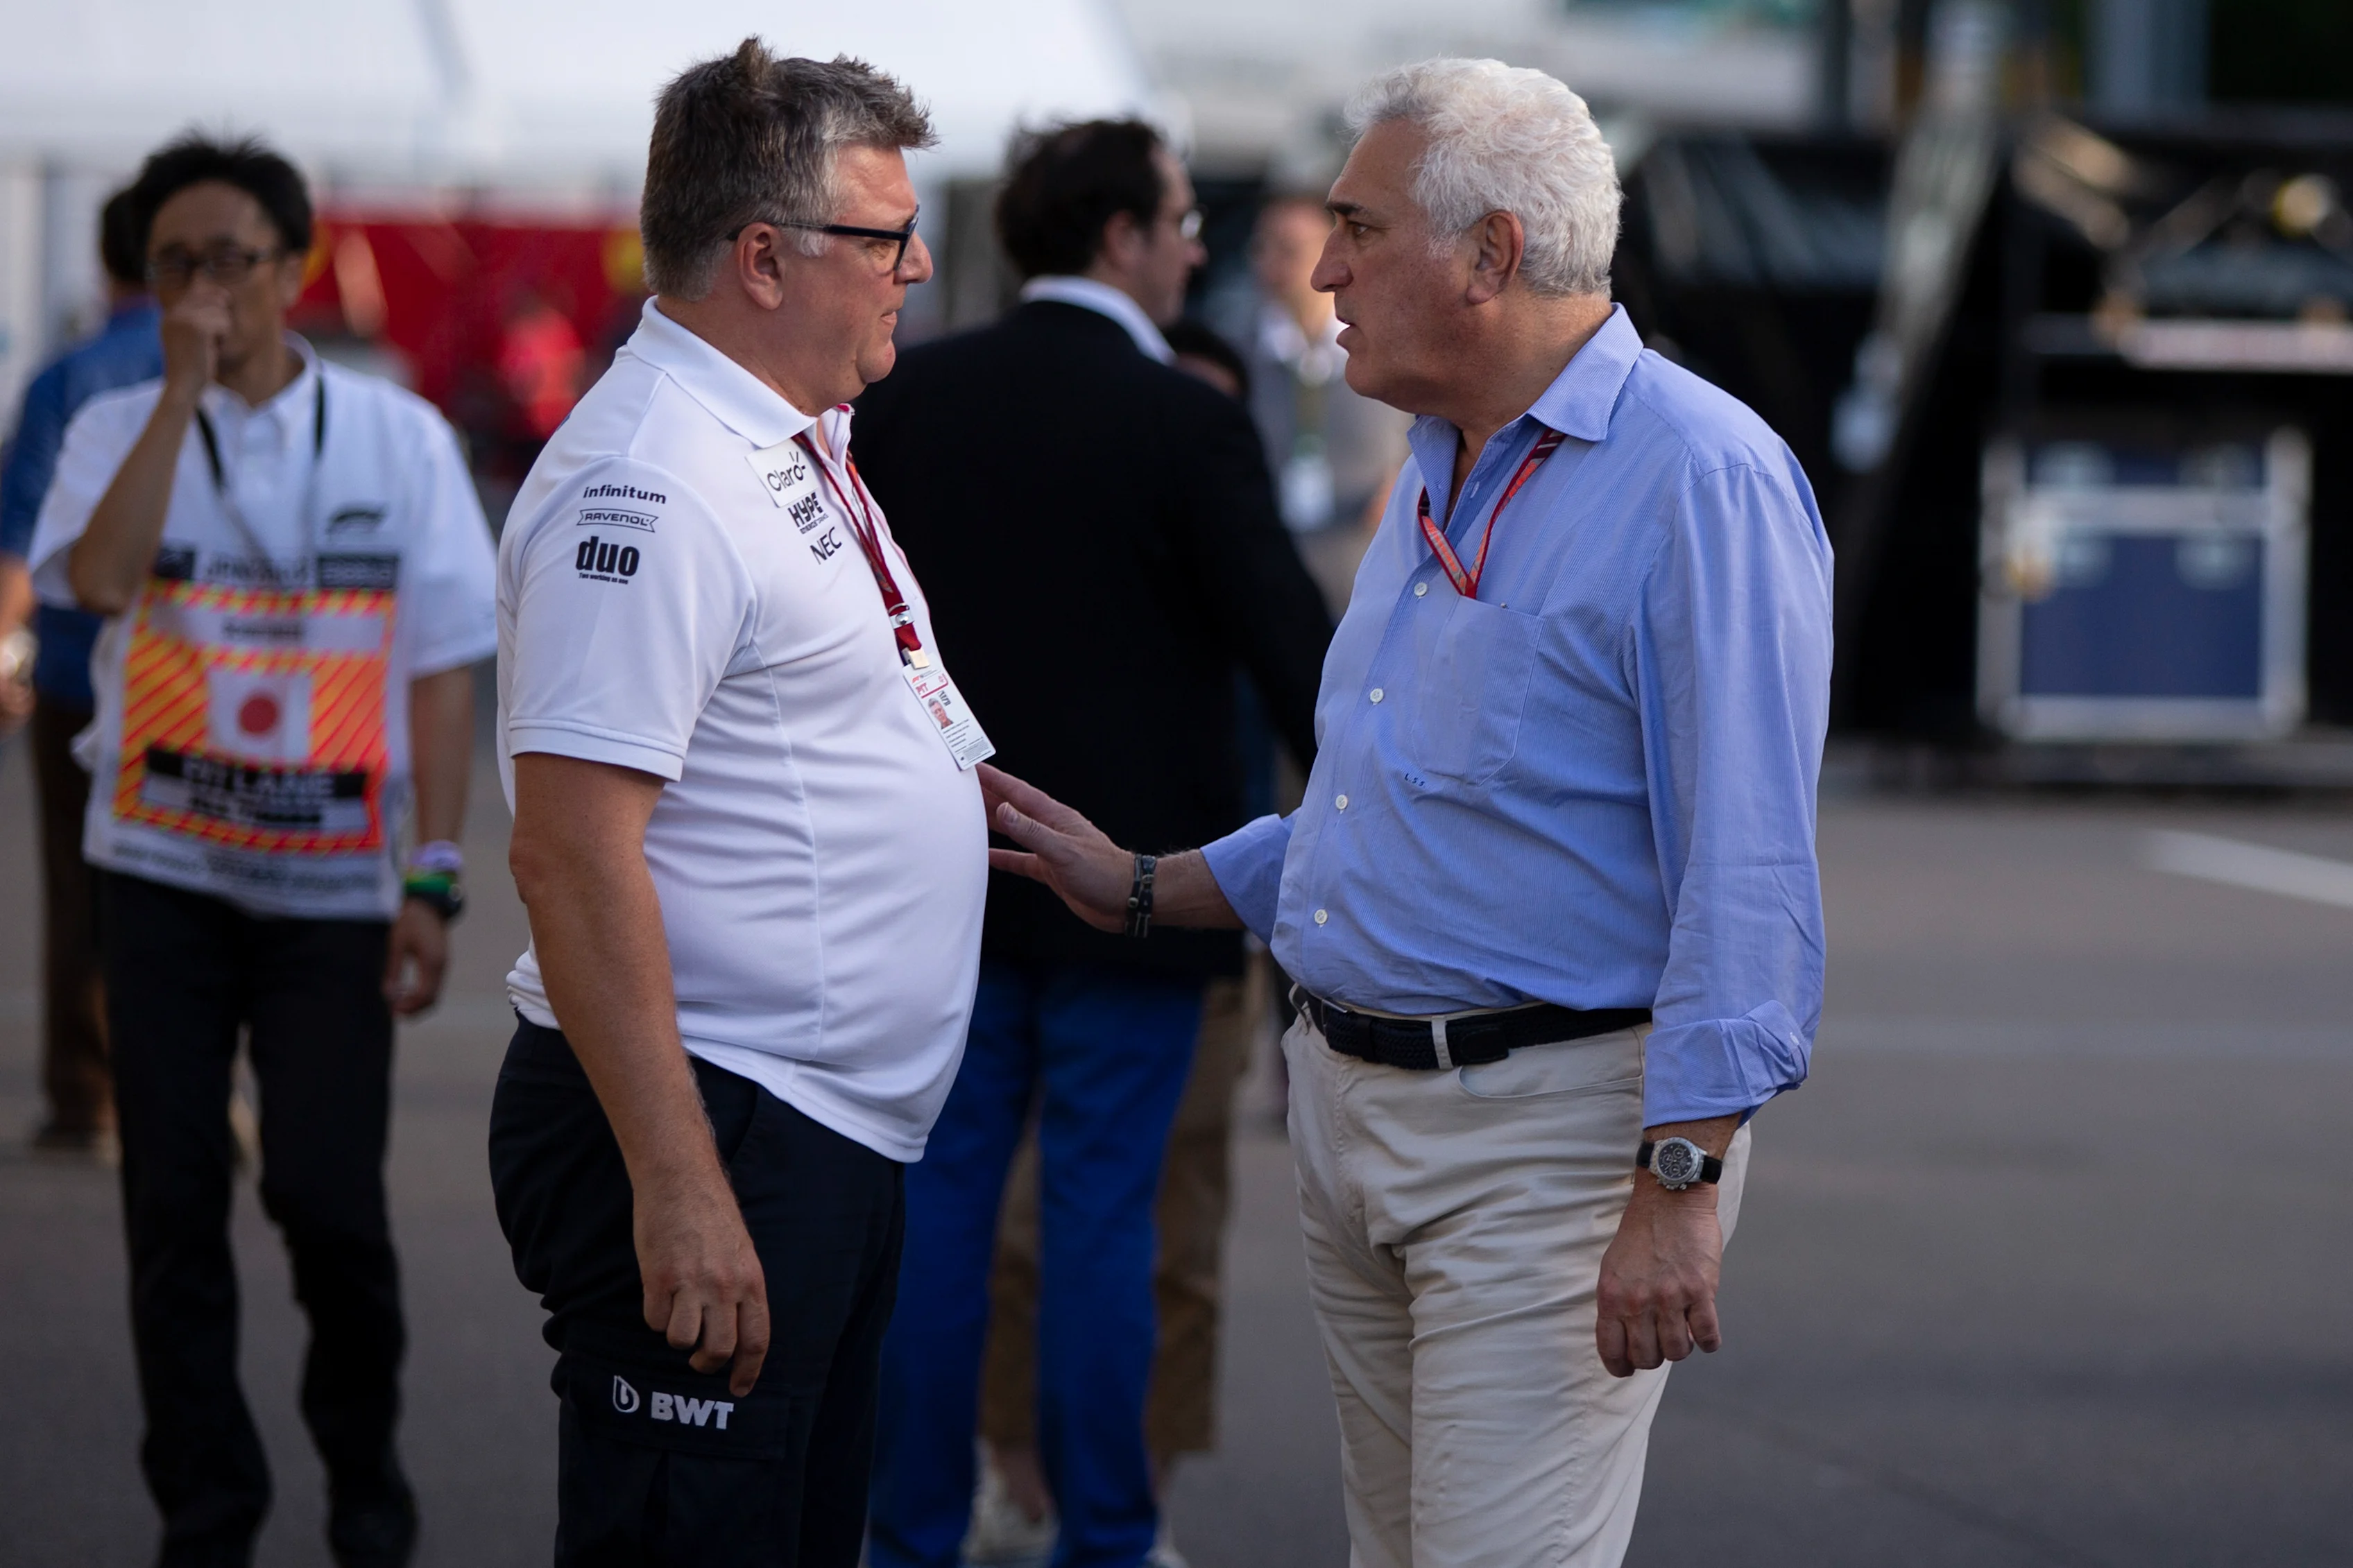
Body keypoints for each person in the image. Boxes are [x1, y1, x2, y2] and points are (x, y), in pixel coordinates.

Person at [978, 58, 1833, 1568]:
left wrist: (1679, 1181)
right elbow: (1402, 813)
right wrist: (1144, 882)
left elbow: (1748, 870)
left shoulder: (1698, 478)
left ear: (1490, 253)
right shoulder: (1443, 457)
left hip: (1549, 1145)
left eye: (1358, 228)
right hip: (1360, 1116)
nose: (1322, 271)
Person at [484, 44, 980, 1567]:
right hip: (717, 1116)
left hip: (802, 1119)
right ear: (764, 256)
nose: (918, 266)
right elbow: (570, 852)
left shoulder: (777, 425)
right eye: (887, 236)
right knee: (688, 1533)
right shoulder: (654, 475)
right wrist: (682, 1179)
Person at [851, 121, 1331, 1568]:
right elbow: (1299, 661)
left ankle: (909, 1534)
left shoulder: (909, 395)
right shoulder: (1184, 417)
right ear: (1120, 236)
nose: (1195, 246)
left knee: (933, 1224)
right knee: (1104, 1228)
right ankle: (1106, 1537)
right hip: (1140, 892)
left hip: (946, 873)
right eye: (1182, 221)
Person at [24, 135, 496, 1567]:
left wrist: (433, 872)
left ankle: (364, 1473)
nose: (204, 288)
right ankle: (206, 1511)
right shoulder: (116, 426)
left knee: (326, 1195)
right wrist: (176, 389)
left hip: (332, 889)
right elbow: (96, 586)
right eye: (173, 264)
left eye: (230, 258)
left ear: (293, 271)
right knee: (171, 1199)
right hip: (159, 872)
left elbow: (441, 663)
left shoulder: (397, 436)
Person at [947, 318, 1281, 1568]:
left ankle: (1129, 1504)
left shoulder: (1227, 532)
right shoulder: (1119, 501)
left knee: (1171, 1237)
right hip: (1104, 909)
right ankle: (1032, 1489)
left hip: (1196, 922)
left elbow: (1321, 773)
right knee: (1041, 1230)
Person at [0, 187, 162, 1155]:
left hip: (73, 670)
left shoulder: (70, 377)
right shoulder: (238, 370)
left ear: (105, 266)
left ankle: (88, 1094)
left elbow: (16, 548)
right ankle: (191, 1079)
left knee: (78, 886)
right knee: (195, 886)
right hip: (201, 681)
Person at [1242, 193, 1412, 614]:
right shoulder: (1238, 359)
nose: (1270, 264)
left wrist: (1411, 484)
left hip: (1370, 590)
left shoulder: (1390, 356)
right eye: (1261, 247)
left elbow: (1441, 441)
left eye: (1289, 249)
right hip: (1266, 593)